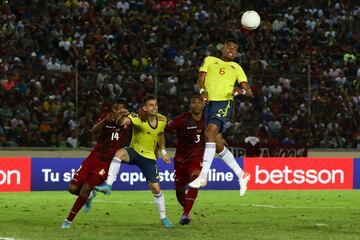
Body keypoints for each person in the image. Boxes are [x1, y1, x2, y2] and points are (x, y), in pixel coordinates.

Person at [95, 95, 175, 228]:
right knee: (119, 153)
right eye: (151, 105)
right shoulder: (138, 118)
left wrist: (164, 152)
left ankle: (164, 217)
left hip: (149, 157)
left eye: (155, 104)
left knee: (155, 188)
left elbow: (160, 134)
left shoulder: (162, 119)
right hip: (135, 152)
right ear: (145, 108)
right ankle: (108, 185)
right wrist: (123, 115)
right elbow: (121, 123)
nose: (154, 107)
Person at [189, 38, 254, 197]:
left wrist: (241, 91)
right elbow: (200, 82)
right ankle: (241, 175)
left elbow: (250, 92)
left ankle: (203, 176)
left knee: (209, 134)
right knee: (217, 144)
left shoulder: (237, 67)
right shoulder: (210, 60)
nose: (232, 49)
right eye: (229, 46)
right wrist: (202, 92)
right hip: (209, 104)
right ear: (222, 48)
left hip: (224, 103)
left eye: (235, 48)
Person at [61, 100, 132, 229]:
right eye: (117, 109)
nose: (119, 111)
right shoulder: (105, 118)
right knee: (72, 189)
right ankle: (89, 196)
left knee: (85, 189)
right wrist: (106, 120)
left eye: (122, 109)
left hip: (106, 163)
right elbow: (94, 134)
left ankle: (68, 221)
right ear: (113, 110)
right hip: (94, 157)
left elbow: (137, 120)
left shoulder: (129, 121)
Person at [165, 95, 205, 225]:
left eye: (199, 102)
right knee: (179, 190)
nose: (196, 105)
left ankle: (185, 214)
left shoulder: (207, 119)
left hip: (197, 158)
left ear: (203, 105)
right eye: (193, 102)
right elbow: (163, 129)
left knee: (196, 181)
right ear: (190, 105)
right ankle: (186, 209)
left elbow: (214, 132)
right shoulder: (182, 119)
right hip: (181, 159)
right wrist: (161, 149)